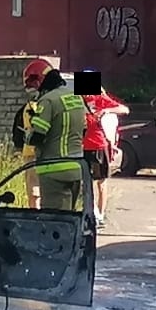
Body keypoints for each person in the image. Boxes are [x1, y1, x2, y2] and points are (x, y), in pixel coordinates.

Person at [20, 58, 87, 212]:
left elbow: (37, 136)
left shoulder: (47, 101)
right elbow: (83, 130)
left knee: (55, 220)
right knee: (71, 217)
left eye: (31, 86)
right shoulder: (75, 97)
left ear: (38, 82)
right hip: (77, 168)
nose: (32, 91)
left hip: (54, 170)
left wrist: (27, 135)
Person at [79, 73, 130, 228]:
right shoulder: (77, 100)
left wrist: (106, 111)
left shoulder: (100, 99)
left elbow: (124, 109)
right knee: (86, 183)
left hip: (100, 146)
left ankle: (101, 215)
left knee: (101, 182)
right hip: (82, 147)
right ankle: (90, 213)